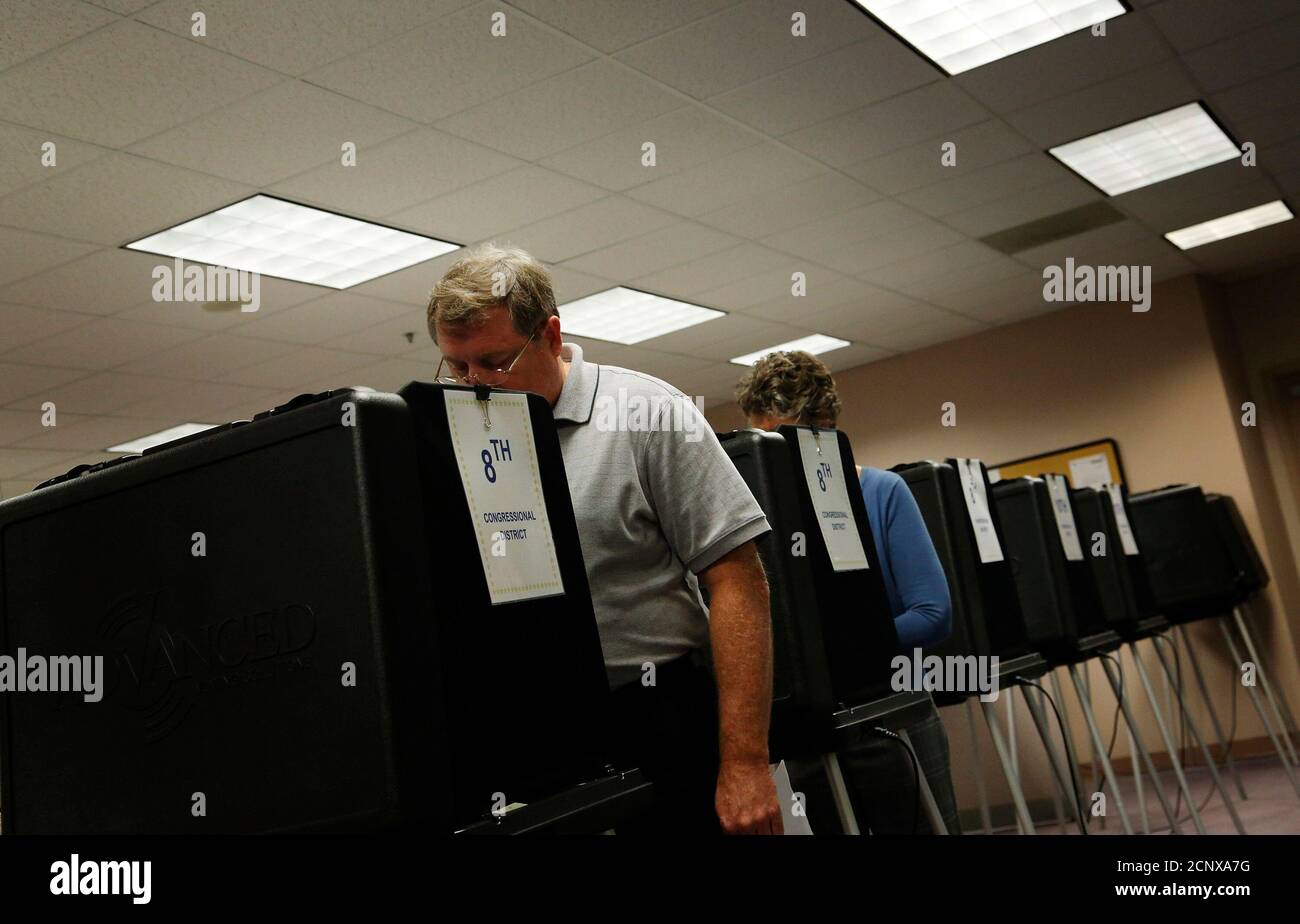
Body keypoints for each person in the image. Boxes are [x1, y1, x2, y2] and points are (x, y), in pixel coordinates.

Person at [428, 243, 782, 835]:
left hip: (657, 710)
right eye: (457, 368)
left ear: (549, 334)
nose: (474, 385)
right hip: (535, 726)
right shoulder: (456, 433)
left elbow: (738, 580)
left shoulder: (646, 412)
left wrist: (745, 762)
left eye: (493, 362)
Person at [735, 350, 962, 834]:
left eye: (776, 442)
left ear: (821, 431)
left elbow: (933, 614)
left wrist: (835, 650)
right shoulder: (768, 514)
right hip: (813, 729)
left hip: (895, 713)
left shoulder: (882, 491)